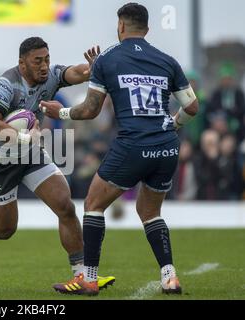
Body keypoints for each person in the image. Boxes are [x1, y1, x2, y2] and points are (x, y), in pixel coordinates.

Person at [41, 3, 199, 295]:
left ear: (121, 26)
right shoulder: (167, 60)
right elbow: (191, 106)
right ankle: (170, 277)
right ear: (147, 29)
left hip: (133, 144)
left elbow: (89, 110)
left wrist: (60, 113)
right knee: (149, 211)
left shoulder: (107, 59)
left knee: (93, 204)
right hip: (166, 146)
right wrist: (173, 125)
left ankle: (88, 278)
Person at [0, 36, 115, 289]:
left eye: (47, 59)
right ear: (22, 63)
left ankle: (82, 276)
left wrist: (93, 69)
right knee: (5, 229)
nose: (44, 66)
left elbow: (77, 72)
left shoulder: (50, 75)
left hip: (29, 150)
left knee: (65, 205)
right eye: (38, 61)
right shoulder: (6, 84)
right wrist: (25, 136)